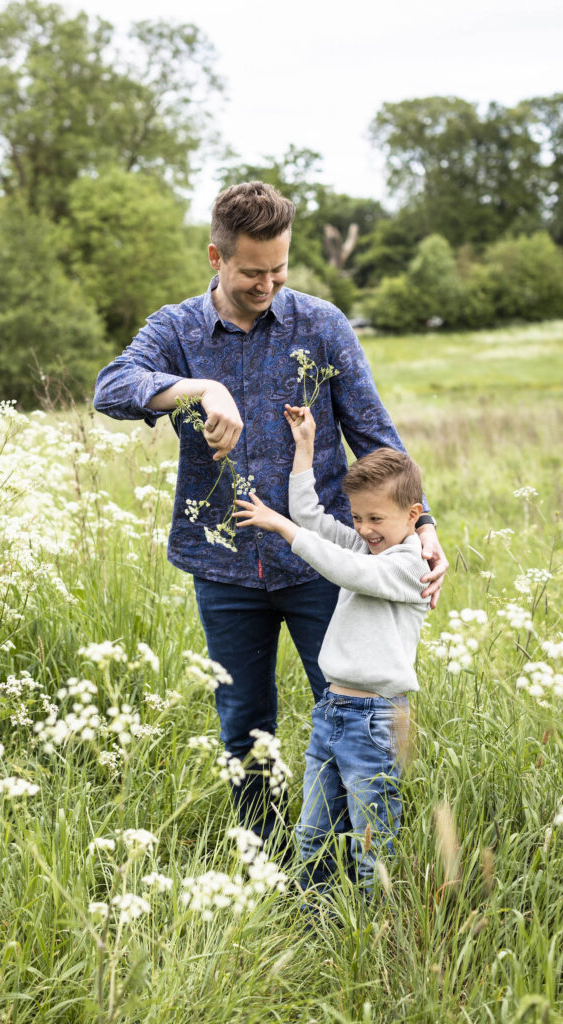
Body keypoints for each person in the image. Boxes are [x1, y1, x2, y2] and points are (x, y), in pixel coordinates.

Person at [93, 181, 447, 843]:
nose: (267, 283)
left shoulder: (321, 325)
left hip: (328, 563)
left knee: (346, 713)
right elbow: (111, 387)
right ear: (215, 257)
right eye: (252, 271)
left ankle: (352, 857)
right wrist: (199, 387)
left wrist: (422, 527)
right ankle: (260, 855)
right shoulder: (176, 330)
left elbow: (374, 434)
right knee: (242, 720)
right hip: (221, 564)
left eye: (279, 268)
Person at [233, 405, 429, 892]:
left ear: (414, 515)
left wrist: (282, 529)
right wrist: (304, 448)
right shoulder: (369, 547)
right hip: (332, 711)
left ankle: (373, 933)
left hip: (376, 720)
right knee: (312, 835)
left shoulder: (411, 566)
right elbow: (311, 516)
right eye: (358, 517)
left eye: (376, 518)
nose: (364, 529)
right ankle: (315, 923)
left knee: (371, 840)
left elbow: (347, 571)